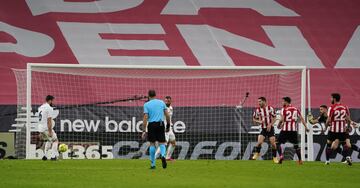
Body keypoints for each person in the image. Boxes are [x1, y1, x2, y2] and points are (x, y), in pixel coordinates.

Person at [142, 90, 171, 169]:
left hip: (151, 125)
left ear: (148, 95)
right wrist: (168, 125)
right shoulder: (161, 102)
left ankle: (153, 164)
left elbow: (145, 118)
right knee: (162, 143)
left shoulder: (146, 105)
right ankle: (163, 155)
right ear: (155, 95)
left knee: (152, 144)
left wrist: (144, 130)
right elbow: (167, 115)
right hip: (161, 124)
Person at [325, 93, 355, 165]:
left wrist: (326, 126)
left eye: (331, 98)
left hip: (333, 130)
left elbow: (328, 120)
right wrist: (347, 127)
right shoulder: (345, 107)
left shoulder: (331, 108)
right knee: (344, 144)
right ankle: (347, 157)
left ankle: (328, 161)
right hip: (342, 130)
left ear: (334, 99)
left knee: (329, 144)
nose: (330, 99)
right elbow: (348, 119)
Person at [277, 97, 309, 165]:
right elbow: (302, 119)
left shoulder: (283, 109)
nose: (282, 103)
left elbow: (282, 119)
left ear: (286, 102)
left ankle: (281, 156)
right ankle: (300, 160)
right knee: (296, 146)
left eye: (283, 102)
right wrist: (306, 127)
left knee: (277, 143)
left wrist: (279, 125)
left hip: (285, 130)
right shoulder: (295, 109)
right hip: (293, 130)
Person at [252, 97, 278, 163]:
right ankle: (257, 153)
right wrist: (259, 121)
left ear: (264, 101)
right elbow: (254, 119)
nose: (259, 103)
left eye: (260, 101)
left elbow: (275, 118)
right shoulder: (257, 110)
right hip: (263, 129)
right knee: (259, 143)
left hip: (270, 129)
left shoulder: (270, 109)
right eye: (258, 101)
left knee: (273, 144)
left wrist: (270, 124)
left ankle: (274, 157)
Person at [155, 96, 176, 161]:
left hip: (170, 128)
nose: (167, 102)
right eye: (166, 101)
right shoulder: (162, 108)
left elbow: (169, 118)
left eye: (168, 100)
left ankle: (167, 157)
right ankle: (154, 157)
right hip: (165, 128)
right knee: (163, 144)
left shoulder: (171, 108)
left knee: (173, 143)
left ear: (170, 101)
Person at [38, 95, 59, 160]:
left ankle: (45, 156)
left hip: (41, 128)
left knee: (48, 140)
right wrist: (50, 131)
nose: (53, 102)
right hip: (46, 128)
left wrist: (40, 132)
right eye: (52, 101)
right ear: (50, 100)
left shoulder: (40, 107)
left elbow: (40, 119)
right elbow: (48, 121)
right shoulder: (49, 108)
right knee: (55, 140)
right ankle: (53, 157)